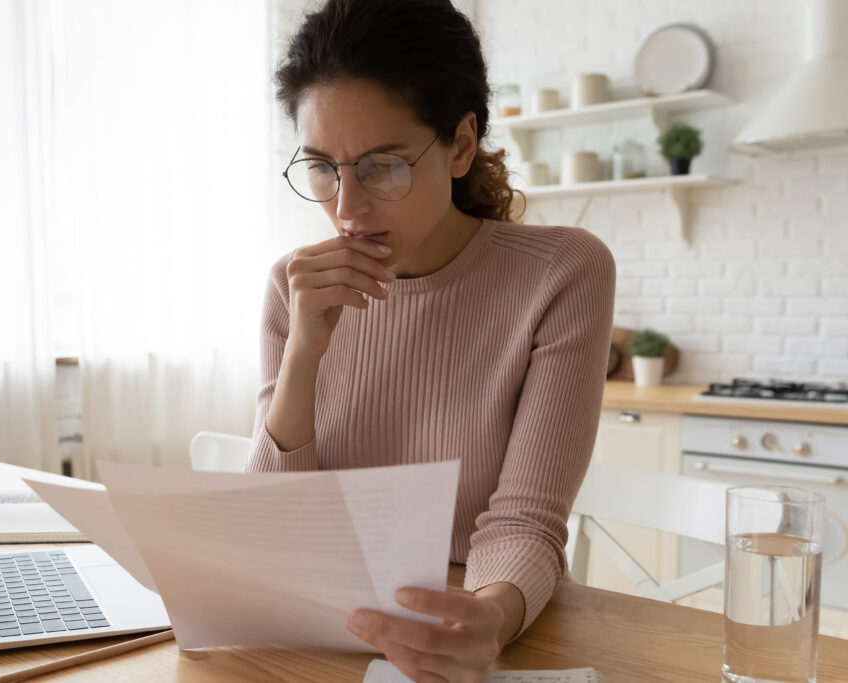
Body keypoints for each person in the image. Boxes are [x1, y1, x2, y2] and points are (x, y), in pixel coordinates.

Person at [246, 0, 616, 680]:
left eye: (384, 165)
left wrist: (493, 615)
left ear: (461, 144)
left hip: (456, 639)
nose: (347, 208)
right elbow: (276, 530)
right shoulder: (292, 286)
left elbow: (525, 519)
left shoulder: (562, 274)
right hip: (313, 645)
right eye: (324, 166)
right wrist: (304, 354)